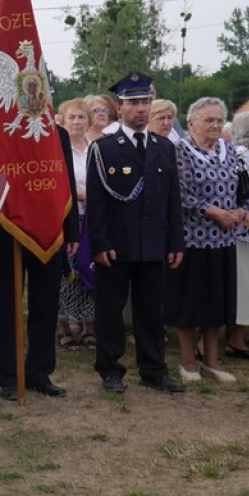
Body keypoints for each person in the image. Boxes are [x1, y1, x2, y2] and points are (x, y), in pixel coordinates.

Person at [86, 72, 185, 393]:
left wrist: (175, 241)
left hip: (154, 244)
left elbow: (173, 201)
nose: (141, 109)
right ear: (119, 107)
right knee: (111, 312)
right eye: (134, 103)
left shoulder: (164, 148)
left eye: (145, 101)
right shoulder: (104, 149)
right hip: (116, 245)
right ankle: (111, 370)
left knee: (151, 311)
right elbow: (97, 203)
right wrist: (99, 243)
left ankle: (154, 370)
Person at [0, 119, 80, 401]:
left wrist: (71, 230)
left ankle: (40, 372)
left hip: (49, 228)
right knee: (7, 305)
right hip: (7, 227)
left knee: (46, 303)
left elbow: (66, 184)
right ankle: (8, 376)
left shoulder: (58, 134)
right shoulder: (2, 130)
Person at [166, 97, 243, 384]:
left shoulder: (229, 150)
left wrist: (240, 211)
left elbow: (244, 187)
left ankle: (212, 360)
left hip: (224, 240)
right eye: (209, 120)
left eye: (219, 120)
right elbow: (181, 194)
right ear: (192, 123)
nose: (215, 125)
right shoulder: (180, 151)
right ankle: (188, 361)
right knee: (190, 302)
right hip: (192, 240)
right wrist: (214, 212)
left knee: (218, 303)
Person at [56, 99, 96, 351]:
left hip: (92, 221)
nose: (77, 122)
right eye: (72, 117)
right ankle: (64, 327)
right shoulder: (58, 150)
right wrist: (80, 194)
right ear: (62, 120)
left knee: (90, 272)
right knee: (66, 274)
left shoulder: (96, 148)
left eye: (82, 117)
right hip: (68, 219)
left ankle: (90, 326)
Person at [228, 110, 249, 360]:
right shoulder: (240, 157)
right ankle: (234, 341)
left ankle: (238, 339)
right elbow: (238, 197)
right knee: (241, 291)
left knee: (248, 291)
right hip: (242, 233)